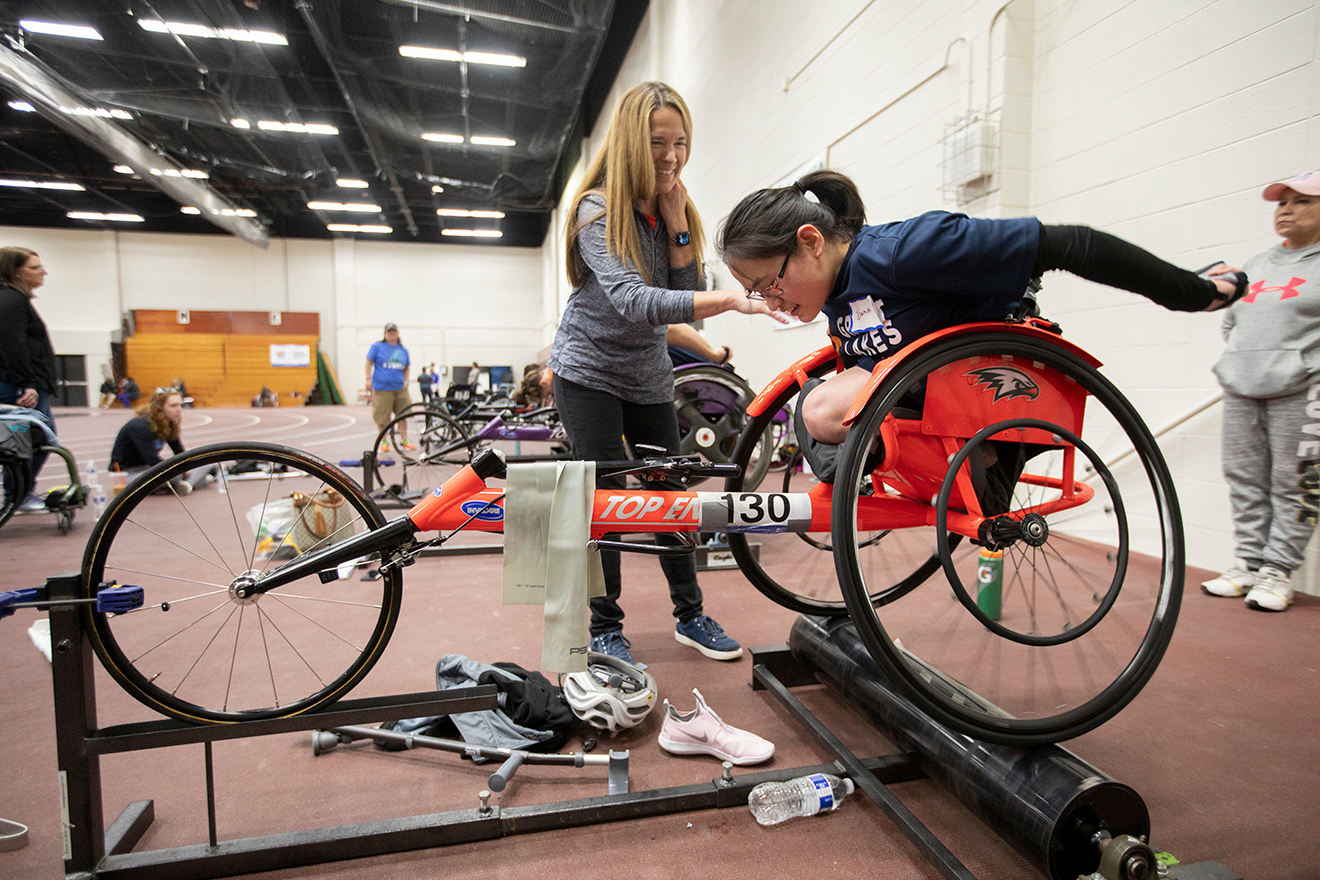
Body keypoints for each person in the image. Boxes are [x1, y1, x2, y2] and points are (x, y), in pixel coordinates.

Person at [716, 169, 1247, 483]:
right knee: (815, 404)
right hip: (925, 389)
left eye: (771, 283)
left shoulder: (908, 251)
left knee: (818, 407)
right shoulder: (836, 295)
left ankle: (976, 462)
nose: (771, 301)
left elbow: (1072, 243)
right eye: (758, 293)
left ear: (811, 241)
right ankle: (945, 465)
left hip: (994, 377)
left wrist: (1192, 293)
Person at [547, 81, 784, 667]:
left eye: (680, 143)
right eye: (658, 143)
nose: (672, 156)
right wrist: (729, 301)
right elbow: (635, 301)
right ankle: (605, 628)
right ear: (631, 142)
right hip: (588, 371)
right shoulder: (595, 209)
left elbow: (681, 294)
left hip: (647, 373)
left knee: (668, 491)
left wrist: (679, 223)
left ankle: (691, 614)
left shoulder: (672, 206)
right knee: (606, 496)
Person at [1201, 171, 1320, 613]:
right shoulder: (1259, 264)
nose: (1286, 209)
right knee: (1245, 479)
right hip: (1241, 385)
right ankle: (1248, 564)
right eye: (1281, 202)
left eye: (1301, 201)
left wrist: (1306, 363)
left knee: (1296, 483)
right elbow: (1232, 320)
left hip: (1302, 390)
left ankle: (1277, 572)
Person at [0, 246, 58, 511]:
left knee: (29, 440)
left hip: (21, 384)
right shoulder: (11, 300)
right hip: (18, 388)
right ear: (15, 272)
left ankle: (19, 493)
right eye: (35, 268)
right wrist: (28, 383)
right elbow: (12, 345)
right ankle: (18, 495)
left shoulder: (14, 300)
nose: (43, 272)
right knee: (31, 440)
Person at [110, 388, 216, 494]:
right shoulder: (140, 426)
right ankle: (191, 483)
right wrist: (180, 470)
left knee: (204, 463)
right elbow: (153, 461)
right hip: (128, 474)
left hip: (149, 470)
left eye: (180, 405)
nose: (179, 409)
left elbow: (180, 453)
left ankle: (185, 485)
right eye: (173, 405)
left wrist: (187, 466)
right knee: (175, 475)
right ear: (160, 407)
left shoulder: (168, 424)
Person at [366, 323, 411, 452]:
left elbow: (407, 368)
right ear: (385, 334)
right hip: (382, 388)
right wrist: (368, 379)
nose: (391, 334)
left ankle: (404, 440)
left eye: (394, 332)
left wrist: (406, 381)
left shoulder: (403, 350)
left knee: (402, 415)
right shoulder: (377, 347)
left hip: (399, 388)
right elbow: (368, 363)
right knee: (382, 417)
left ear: (397, 333)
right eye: (389, 332)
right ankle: (384, 442)